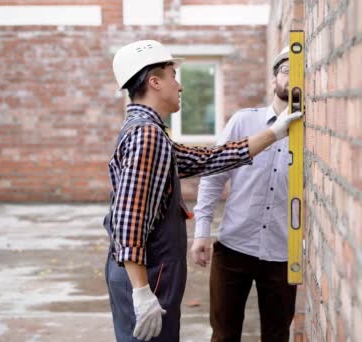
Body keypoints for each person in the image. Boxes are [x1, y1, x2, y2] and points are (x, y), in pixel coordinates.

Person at [103, 40, 301, 342]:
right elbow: (128, 220)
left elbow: (207, 160)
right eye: (173, 76)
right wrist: (142, 292)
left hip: (153, 272)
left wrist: (274, 132)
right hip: (148, 274)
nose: (179, 86)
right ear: (155, 82)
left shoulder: (149, 131)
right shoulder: (146, 135)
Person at [190, 46, 297, 342]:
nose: (291, 76)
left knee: (277, 336)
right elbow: (213, 175)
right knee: (223, 335)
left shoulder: (312, 132)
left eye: (298, 71)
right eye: (285, 70)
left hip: (281, 253)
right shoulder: (243, 122)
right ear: (273, 81)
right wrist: (201, 232)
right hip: (233, 247)